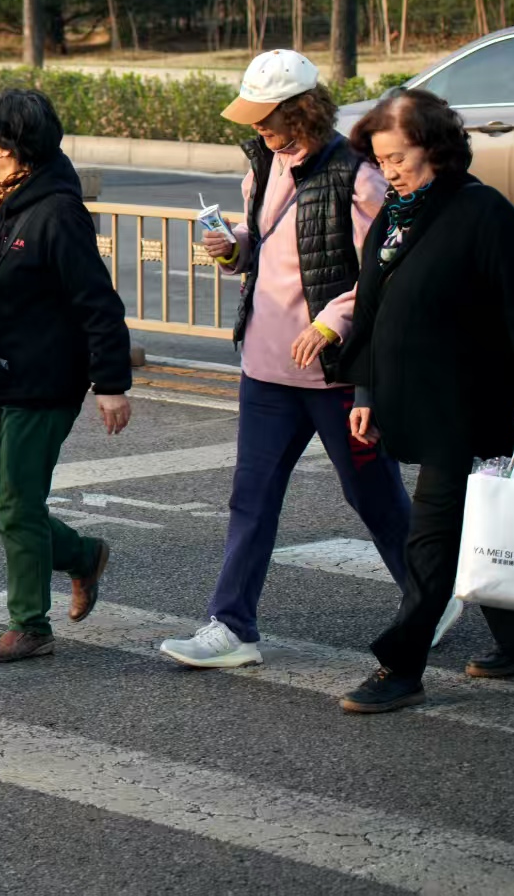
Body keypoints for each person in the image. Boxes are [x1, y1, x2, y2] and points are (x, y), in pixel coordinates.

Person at [159, 50, 411, 670]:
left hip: (334, 376)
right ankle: (232, 626)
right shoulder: (262, 166)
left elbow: (388, 271)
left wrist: (332, 321)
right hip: (265, 369)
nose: (257, 128)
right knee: (251, 498)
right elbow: (265, 249)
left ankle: (432, 598)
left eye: (265, 117)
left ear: (301, 110)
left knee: (373, 497)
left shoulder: (359, 177)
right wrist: (232, 248)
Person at [336, 87, 514, 714]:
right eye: (380, 161)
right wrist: (365, 390)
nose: (389, 172)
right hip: (415, 394)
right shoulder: (395, 214)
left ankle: (401, 663)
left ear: (437, 149)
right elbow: (371, 308)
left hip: (475, 401)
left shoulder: (483, 212)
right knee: (481, 520)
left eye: (399, 158)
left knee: (433, 536)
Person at [0, 89, 133, 665]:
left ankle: (30, 625)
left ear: (12, 146)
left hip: (45, 381)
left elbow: (98, 303)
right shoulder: (2, 199)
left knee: (18, 502)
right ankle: (81, 554)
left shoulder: (56, 211)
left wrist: (112, 385)